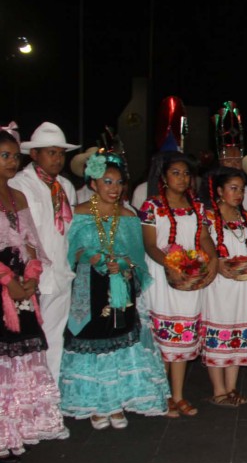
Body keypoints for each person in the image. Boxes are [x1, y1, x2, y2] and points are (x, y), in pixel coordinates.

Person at [59, 153, 169, 429]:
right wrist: (89, 256)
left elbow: (137, 258)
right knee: (92, 340)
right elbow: (67, 252)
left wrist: (123, 264)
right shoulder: (78, 213)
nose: (115, 188)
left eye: (119, 183)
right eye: (107, 181)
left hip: (120, 286)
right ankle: (98, 405)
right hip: (88, 286)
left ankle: (117, 402)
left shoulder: (129, 216)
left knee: (120, 338)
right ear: (93, 183)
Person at [0, 128, 68, 462]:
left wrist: (31, 274)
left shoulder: (18, 196)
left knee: (26, 355)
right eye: (4, 156)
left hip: (25, 281)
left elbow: (30, 243)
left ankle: (24, 424)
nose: (11, 162)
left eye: (14, 156)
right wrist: (7, 280)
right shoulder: (22, 188)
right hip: (4, 282)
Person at [140, 153, 218, 417]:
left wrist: (213, 259)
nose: (182, 178)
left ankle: (178, 395)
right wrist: (171, 266)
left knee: (183, 338)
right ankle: (161, 396)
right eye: (176, 173)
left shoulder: (197, 206)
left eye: (186, 174)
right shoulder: (152, 205)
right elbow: (150, 244)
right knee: (163, 339)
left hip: (190, 276)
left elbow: (204, 238)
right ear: (163, 176)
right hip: (163, 275)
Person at [11, 122, 79, 380]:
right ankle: (24, 397)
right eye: (51, 152)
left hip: (60, 274)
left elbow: (67, 234)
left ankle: (51, 396)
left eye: (61, 153)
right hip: (30, 277)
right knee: (25, 341)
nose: (58, 159)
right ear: (34, 154)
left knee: (54, 340)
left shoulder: (66, 186)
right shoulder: (19, 184)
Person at [201, 168, 247, 405]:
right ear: (219, 191)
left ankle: (231, 388)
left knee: (239, 331)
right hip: (220, 286)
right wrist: (217, 263)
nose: (238, 194)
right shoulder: (207, 217)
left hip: (246, 285)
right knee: (220, 331)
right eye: (233, 188)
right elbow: (201, 245)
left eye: (242, 189)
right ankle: (218, 391)